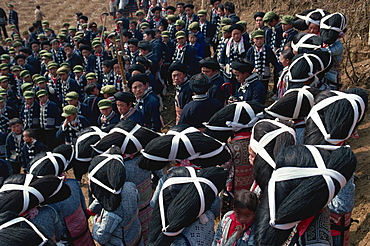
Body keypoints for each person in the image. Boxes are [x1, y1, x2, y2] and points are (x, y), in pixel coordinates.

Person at [246, 30, 282, 94]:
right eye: (257, 39)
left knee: (264, 89)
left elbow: (274, 61)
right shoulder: (251, 50)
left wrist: (280, 70)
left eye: (261, 39)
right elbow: (247, 62)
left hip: (265, 74)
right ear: (253, 39)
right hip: (254, 75)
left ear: (264, 39)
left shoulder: (268, 49)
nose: (259, 41)